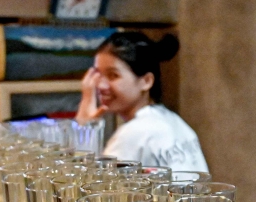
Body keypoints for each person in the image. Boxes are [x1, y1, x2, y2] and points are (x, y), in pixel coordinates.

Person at [75, 31, 208, 173]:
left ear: (146, 81)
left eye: (113, 75)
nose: (100, 85)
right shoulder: (174, 120)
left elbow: (92, 188)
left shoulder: (134, 133)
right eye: (97, 75)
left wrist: (84, 127)